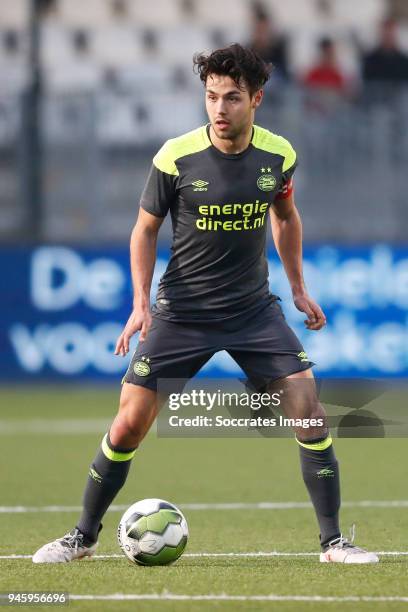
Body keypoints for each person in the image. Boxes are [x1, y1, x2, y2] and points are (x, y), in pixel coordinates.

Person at [32, 44, 378, 564]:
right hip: (182, 312)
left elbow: (286, 216)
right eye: (211, 96)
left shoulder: (278, 155)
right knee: (127, 425)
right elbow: (144, 229)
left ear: (256, 100)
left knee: (310, 412)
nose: (219, 108)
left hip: (253, 311)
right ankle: (82, 537)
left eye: (232, 98)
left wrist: (299, 286)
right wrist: (140, 303)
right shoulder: (176, 156)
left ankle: (333, 543)